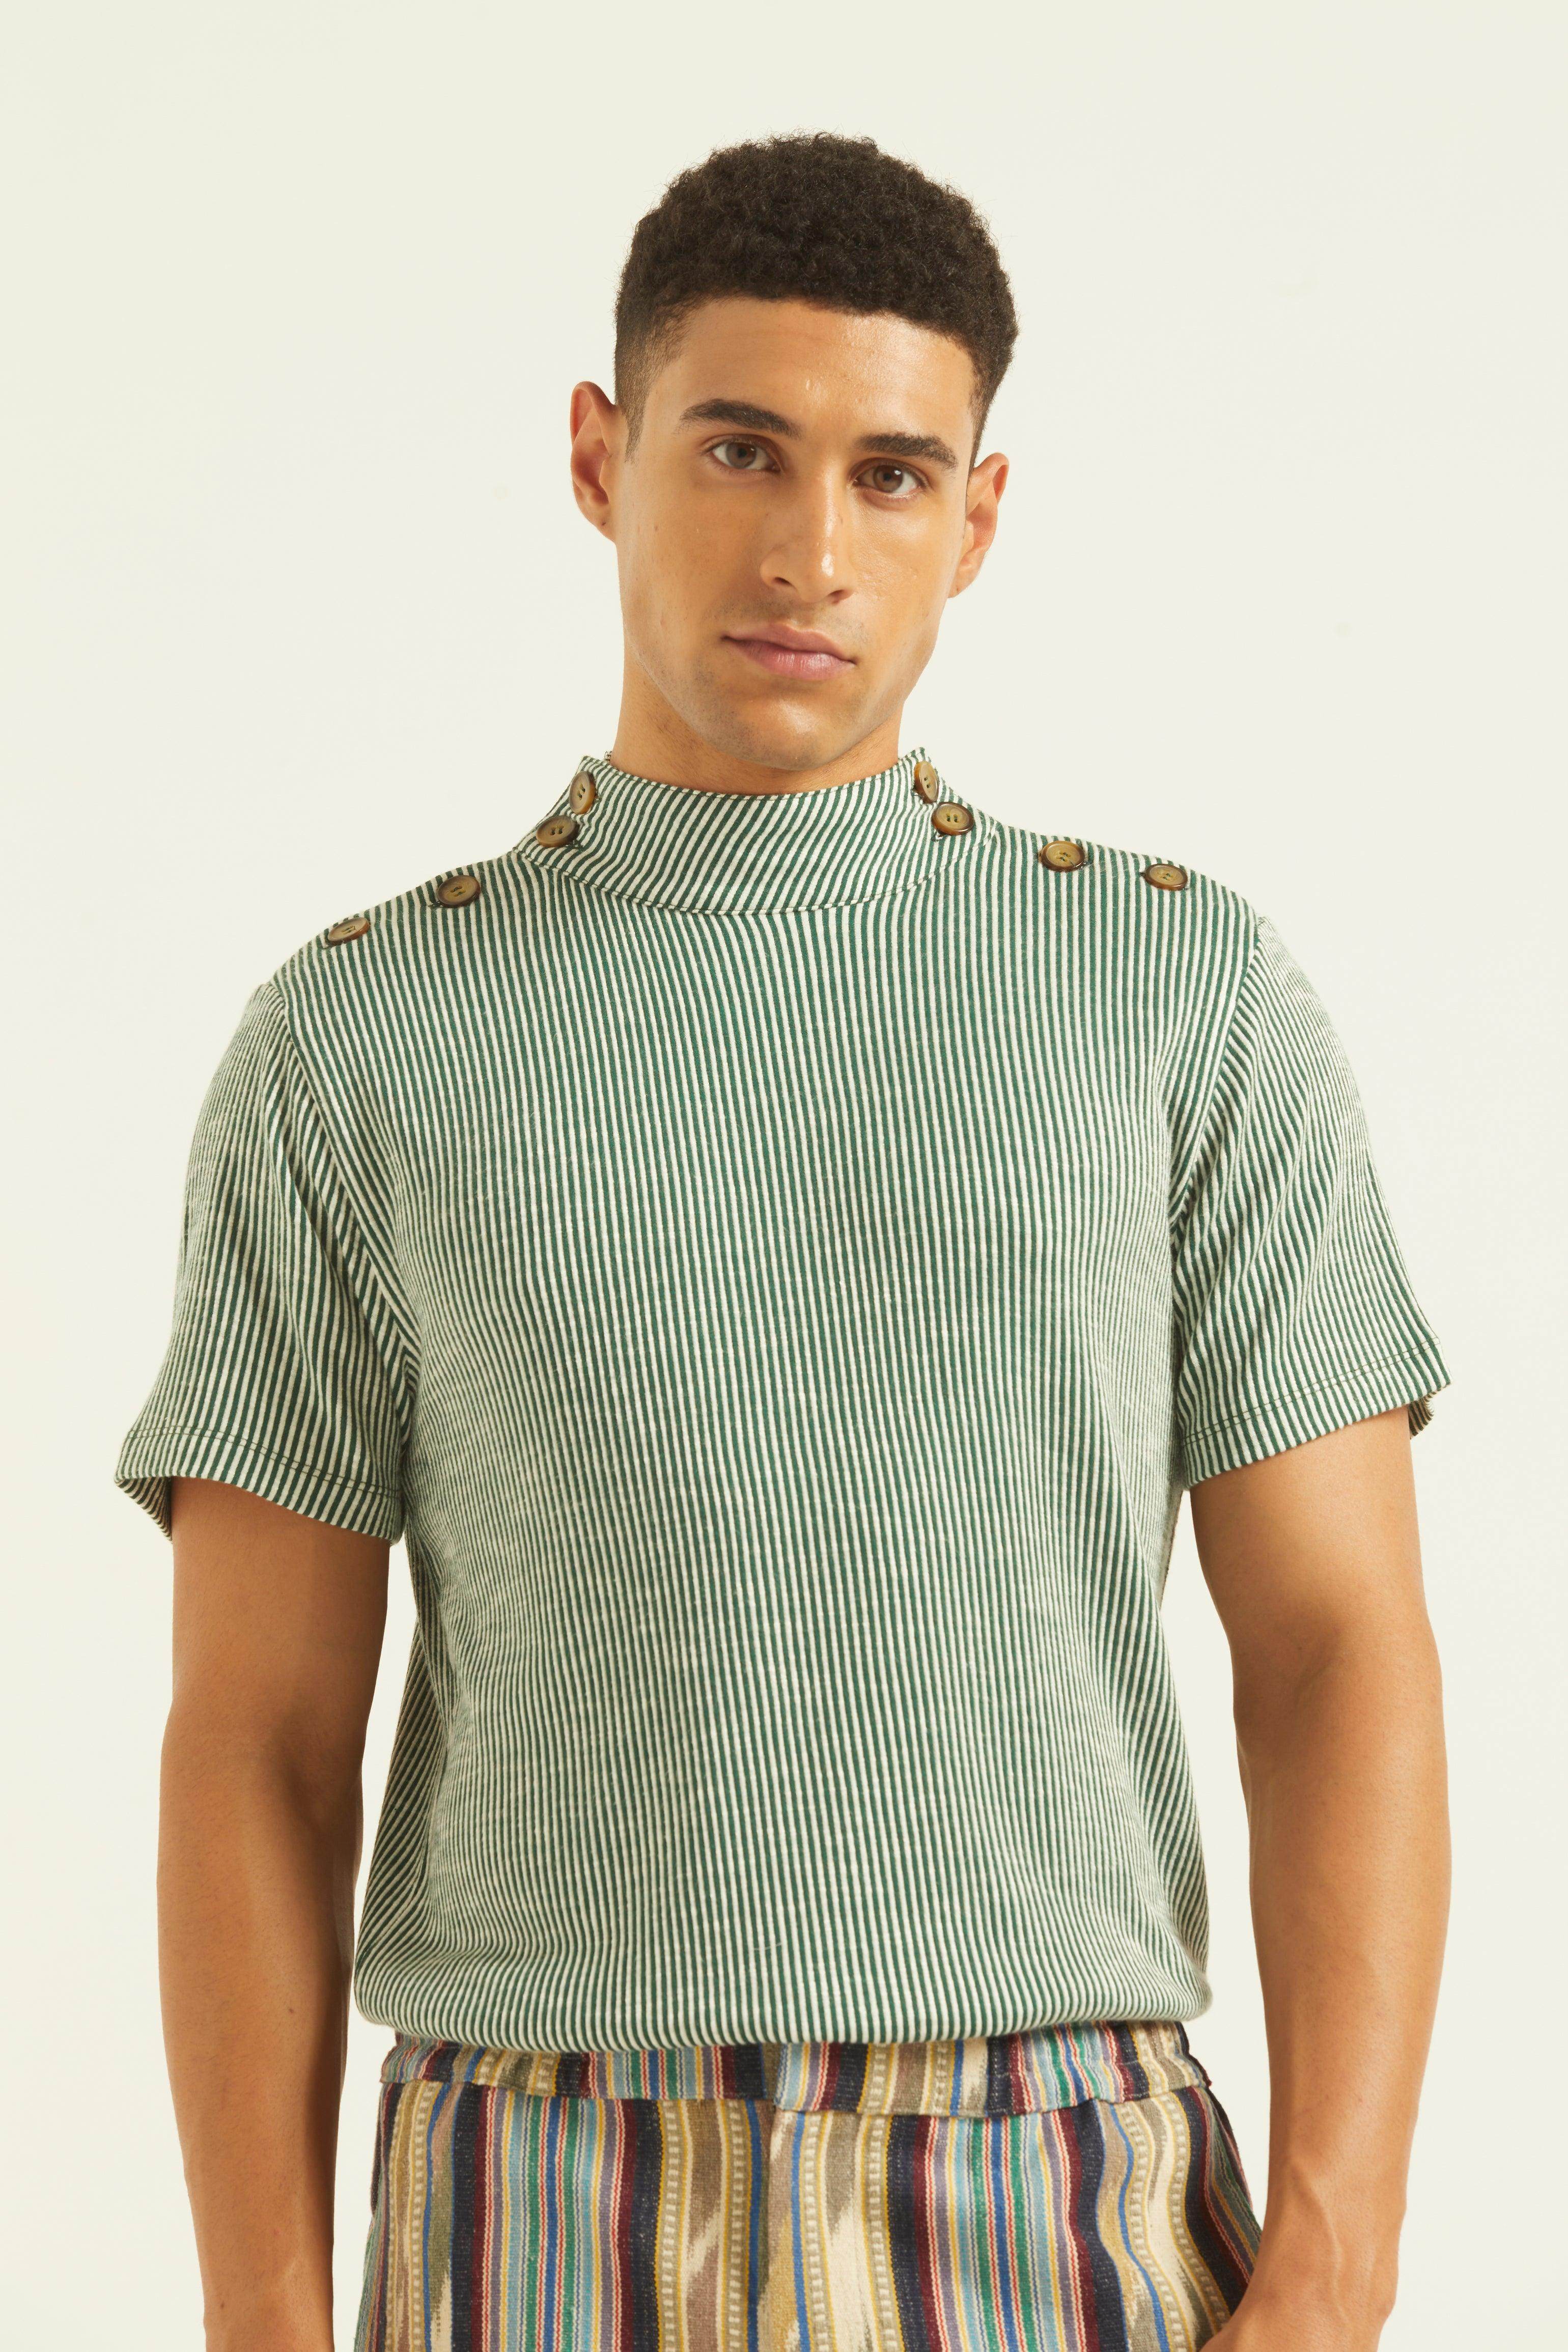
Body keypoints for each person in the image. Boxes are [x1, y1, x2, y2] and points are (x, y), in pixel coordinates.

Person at [117, 132, 1452, 2352]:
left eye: (890, 476)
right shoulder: (356, 1044)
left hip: (1066, 2201)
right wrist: (263, 2321)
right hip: (533, 2205)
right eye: (738, 448)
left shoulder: (1173, 998)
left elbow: (1337, 1646)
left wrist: (1329, 2263)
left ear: (977, 520)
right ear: (599, 454)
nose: (808, 549)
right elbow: (253, 1731)